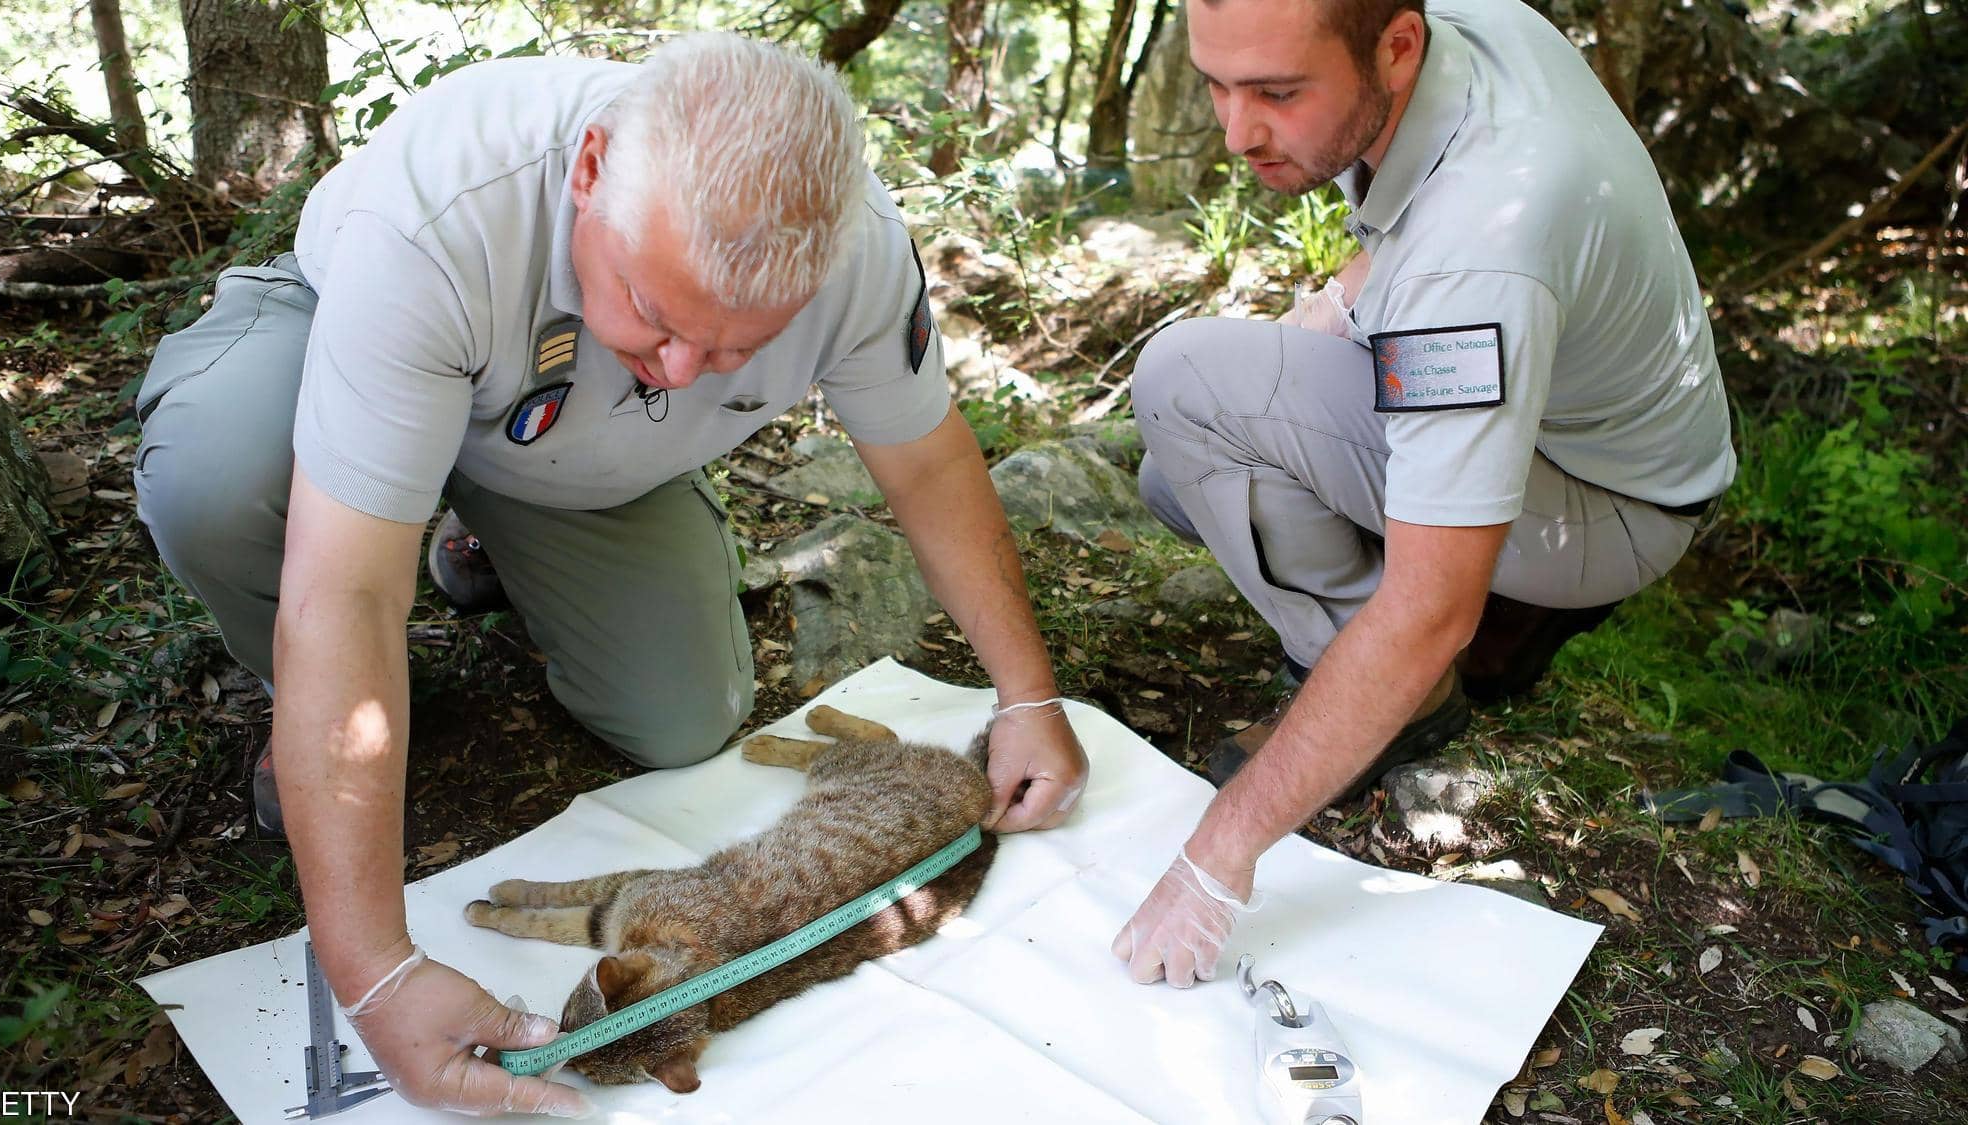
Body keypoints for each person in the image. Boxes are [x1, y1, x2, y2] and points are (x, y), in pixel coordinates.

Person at [134, 34, 1087, 1115]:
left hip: (570, 449)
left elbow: (926, 461)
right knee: (217, 484)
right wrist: (375, 971)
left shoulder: (853, 250)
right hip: (342, 349)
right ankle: (317, 650)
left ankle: (480, 533)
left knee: (683, 718)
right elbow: (341, 594)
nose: (682, 369)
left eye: (735, 349)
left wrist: (1028, 694)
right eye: (661, 313)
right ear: (588, 172)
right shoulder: (441, 216)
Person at [1111, 0, 1736, 988]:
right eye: (1216, 85)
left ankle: (1394, 695)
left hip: (1609, 505)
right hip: (1583, 437)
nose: (1237, 133)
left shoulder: (1482, 243)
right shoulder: (1459, 28)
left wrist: (1213, 859)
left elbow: (1425, 610)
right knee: (1178, 475)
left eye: (1275, 93)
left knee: (1186, 382)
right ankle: (1458, 628)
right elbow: (1407, 228)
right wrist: (1333, 302)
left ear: (1394, 47)